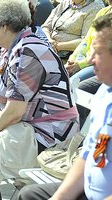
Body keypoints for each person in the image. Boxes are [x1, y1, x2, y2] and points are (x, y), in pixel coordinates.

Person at [0, 0, 80, 198]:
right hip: (29, 126)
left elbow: (13, 112)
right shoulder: (11, 48)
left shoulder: (29, 51)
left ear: (5, 26)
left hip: (50, 133)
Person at [17, 12, 112, 200]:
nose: (90, 59)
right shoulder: (104, 93)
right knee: (29, 194)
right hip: (89, 190)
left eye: (98, 52)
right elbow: (90, 154)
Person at [65, 1, 112, 82]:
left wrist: (80, 64)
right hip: (86, 60)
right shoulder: (103, 12)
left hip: (100, 64)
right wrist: (72, 59)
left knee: (71, 84)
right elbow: (87, 40)